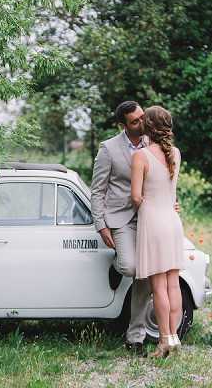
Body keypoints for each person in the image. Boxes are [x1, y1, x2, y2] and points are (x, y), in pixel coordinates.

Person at [90, 100, 152, 354]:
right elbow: (97, 190)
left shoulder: (153, 143)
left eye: (142, 117)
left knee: (146, 273)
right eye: (135, 121)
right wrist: (101, 225)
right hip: (120, 218)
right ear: (123, 125)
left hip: (149, 216)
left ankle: (135, 336)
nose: (141, 122)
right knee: (130, 267)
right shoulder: (108, 149)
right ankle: (117, 264)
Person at [131, 105, 184, 358]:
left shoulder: (140, 156)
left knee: (159, 286)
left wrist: (145, 203)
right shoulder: (175, 153)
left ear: (147, 126)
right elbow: (169, 192)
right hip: (173, 222)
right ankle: (173, 338)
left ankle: (164, 341)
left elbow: (135, 197)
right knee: (173, 284)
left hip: (153, 223)